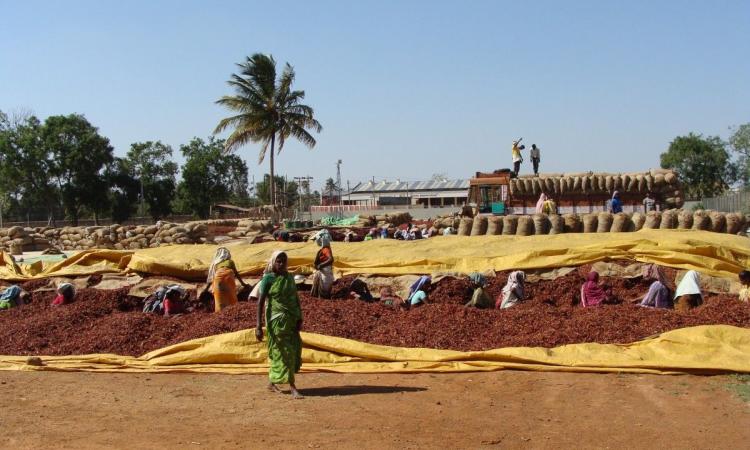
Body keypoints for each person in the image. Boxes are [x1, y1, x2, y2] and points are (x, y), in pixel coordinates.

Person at [255, 251, 304, 399]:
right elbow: (260, 302)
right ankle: (292, 386)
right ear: (273, 262)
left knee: (291, 349)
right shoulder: (268, 279)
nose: (281, 264)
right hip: (276, 321)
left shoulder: (289, 278)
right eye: (278, 261)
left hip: (291, 319)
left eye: (284, 261)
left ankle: (272, 381)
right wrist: (258, 326)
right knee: (284, 352)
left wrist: (299, 317)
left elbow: (295, 298)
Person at [201, 247, 250, 312]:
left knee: (219, 297)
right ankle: (233, 310)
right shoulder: (230, 261)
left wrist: (206, 289)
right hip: (228, 277)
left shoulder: (216, 263)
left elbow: (212, 277)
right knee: (231, 294)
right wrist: (243, 284)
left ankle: (220, 312)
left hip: (218, 278)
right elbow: (236, 274)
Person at [310, 231, 334, 298]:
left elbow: (331, 259)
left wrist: (321, 265)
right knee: (323, 289)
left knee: (324, 290)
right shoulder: (324, 249)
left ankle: (324, 298)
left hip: (325, 271)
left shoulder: (326, 249)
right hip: (324, 271)